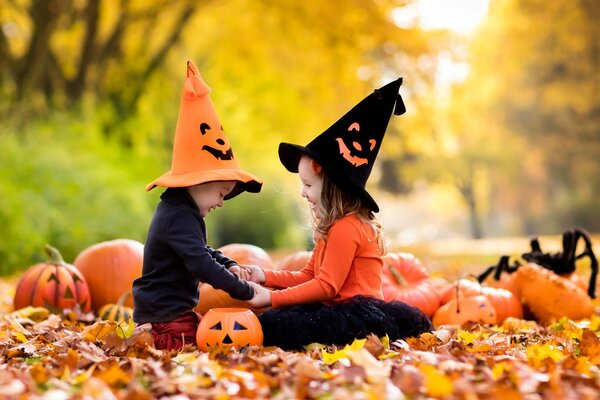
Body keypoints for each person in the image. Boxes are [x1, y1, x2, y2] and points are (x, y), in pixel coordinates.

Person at [243, 78, 434, 350]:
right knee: (277, 320)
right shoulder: (332, 226)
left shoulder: (348, 227)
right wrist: (265, 276)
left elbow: (326, 287)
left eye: (308, 185)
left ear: (333, 188)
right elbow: (309, 276)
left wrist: (271, 298)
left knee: (276, 324)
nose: (303, 193)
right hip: (336, 309)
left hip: (356, 317)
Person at [133, 60, 263, 351]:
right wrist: (243, 291)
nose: (221, 202)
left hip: (172, 310)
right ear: (199, 181)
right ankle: (153, 338)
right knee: (205, 344)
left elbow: (202, 252)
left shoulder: (181, 211)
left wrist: (228, 264)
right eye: (221, 193)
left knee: (212, 332)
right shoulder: (177, 216)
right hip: (164, 315)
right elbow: (200, 265)